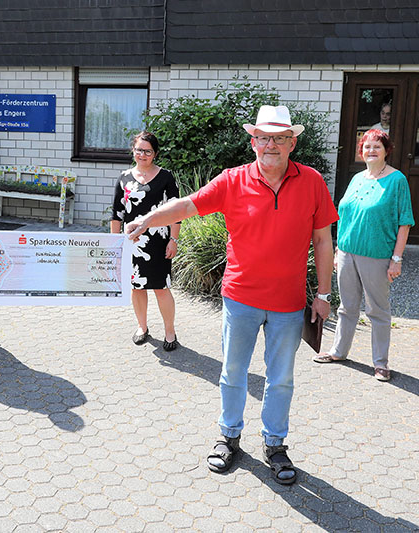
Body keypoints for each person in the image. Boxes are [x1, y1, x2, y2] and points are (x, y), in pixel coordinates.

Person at [126, 105, 337, 485]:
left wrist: (323, 293)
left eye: (279, 138)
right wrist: (147, 219)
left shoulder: (312, 182)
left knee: (281, 378)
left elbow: (323, 240)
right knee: (233, 373)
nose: (271, 145)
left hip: (289, 304)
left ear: (292, 142)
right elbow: (187, 204)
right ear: (252, 141)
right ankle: (229, 436)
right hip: (240, 298)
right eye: (263, 138)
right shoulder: (232, 180)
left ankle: (275, 444)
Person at [314, 129, 414, 381]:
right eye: (367, 147)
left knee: (378, 310)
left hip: (377, 255)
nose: (371, 151)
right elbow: (345, 216)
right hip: (347, 252)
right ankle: (338, 351)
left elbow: (405, 222)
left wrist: (397, 259)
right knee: (347, 308)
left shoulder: (397, 180)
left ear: (386, 150)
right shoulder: (358, 178)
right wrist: (337, 249)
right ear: (361, 151)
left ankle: (380, 363)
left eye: (377, 147)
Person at [110, 131, 180, 349]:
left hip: (158, 242)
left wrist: (173, 240)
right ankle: (142, 327)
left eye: (147, 151)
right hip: (132, 242)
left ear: (155, 154)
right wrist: (115, 245)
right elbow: (116, 214)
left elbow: (176, 211)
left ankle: (170, 331)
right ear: (133, 150)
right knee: (137, 287)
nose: (142, 154)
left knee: (161, 288)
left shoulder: (166, 177)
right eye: (139, 150)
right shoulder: (124, 178)